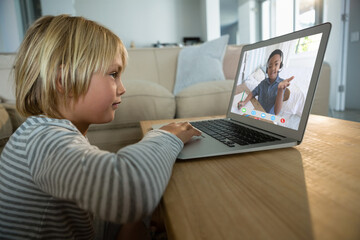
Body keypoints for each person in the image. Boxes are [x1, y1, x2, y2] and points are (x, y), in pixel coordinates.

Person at [0, 15, 201, 239]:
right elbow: (129, 192)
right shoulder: (43, 140)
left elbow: (90, 219)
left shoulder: (49, 133)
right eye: (113, 74)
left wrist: (142, 221)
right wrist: (164, 136)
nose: (122, 88)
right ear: (64, 80)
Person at [238, 49, 294, 115]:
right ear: (267, 69)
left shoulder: (281, 85)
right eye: (270, 66)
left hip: (269, 118)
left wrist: (280, 90)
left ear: (280, 66)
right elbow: (253, 93)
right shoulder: (263, 83)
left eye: (276, 64)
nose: (272, 68)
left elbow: (276, 112)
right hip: (258, 113)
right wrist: (244, 102)